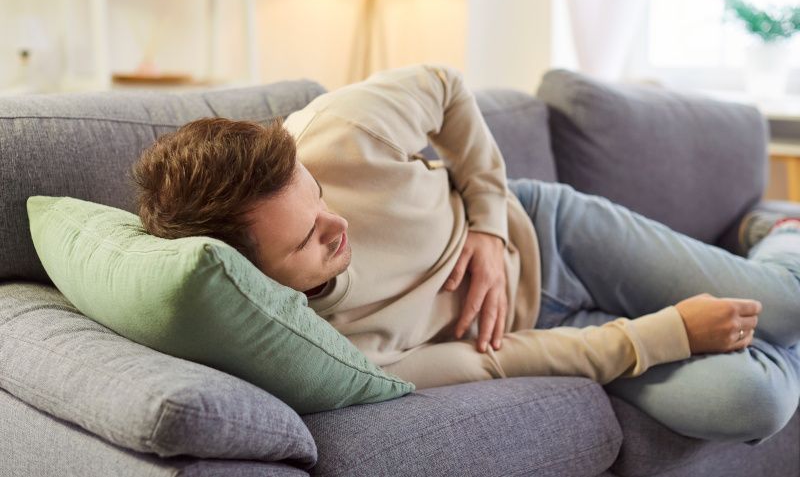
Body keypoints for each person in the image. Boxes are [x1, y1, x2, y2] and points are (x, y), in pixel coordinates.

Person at [132, 64, 800, 443]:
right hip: (542, 326)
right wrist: (669, 332)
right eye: (308, 240)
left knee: (789, 306)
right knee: (751, 403)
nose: (336, 224)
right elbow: (496, 357)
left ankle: (775, 233)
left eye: (317, 196)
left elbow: (446, 87)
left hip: (549, 230)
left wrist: (484, 222)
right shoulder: (328, 350)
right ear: (253, 277)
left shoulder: (336, 133)